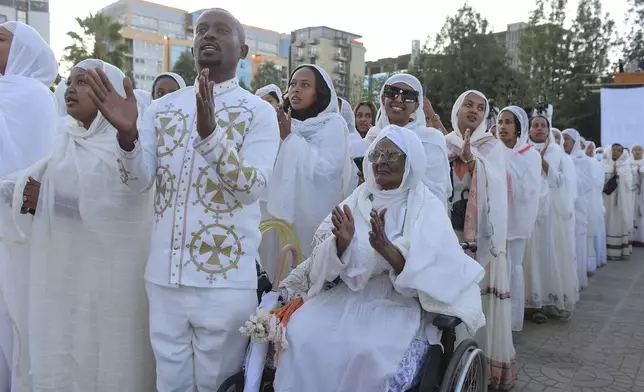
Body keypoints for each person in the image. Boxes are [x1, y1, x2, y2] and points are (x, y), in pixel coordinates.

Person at [86, 9, 281, 390]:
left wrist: (211, 138)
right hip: (164, 277)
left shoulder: (259, 113)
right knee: (170, 383)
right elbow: (137, 183)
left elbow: (251, 187)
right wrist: (128, 138)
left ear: (242, 50)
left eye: (221, 30)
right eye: (201, 30)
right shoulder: (163, 109)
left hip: (223, 281)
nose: (208, 35)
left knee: (217, 383)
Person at [273, 125, 485, 392]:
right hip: (346, 294)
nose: (381, 162)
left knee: (367, 350)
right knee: (300, 333)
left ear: (410, 161)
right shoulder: (357, 198)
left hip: (397, 300)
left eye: (391, 155)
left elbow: (434, 263)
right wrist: (341, 244)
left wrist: (389, 251)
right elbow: (322, 256)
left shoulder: (423, 204)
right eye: (376, 155)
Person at [0, 59, 155, 392]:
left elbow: (124, 209)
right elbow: (29, 191)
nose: (71, 88)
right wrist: (28, 201)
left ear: (110, 92)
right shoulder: (65, 140)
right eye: (69, 81)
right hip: (66, 279)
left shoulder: (127, 146)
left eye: (84, 82)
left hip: (111, 286)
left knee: (106, 359)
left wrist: (51, 201)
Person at [0, 20, 58, 392]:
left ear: (24, 50)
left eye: (1, 39)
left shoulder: (35, 96)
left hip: (17, 227)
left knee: (13, 315)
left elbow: (30, 165)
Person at [444, 90, 513, 390]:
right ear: (457, 108)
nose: (474, 110)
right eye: (468, 105)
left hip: (479, 238)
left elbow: (497, 186)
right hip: (447, 231)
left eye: (481, 107)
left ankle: (479, 366)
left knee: (478, 297)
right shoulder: (442, 142)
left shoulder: (492, 146)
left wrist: (475, 163)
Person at [266, 64, 352, 266]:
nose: (296, 89)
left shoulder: (332, 125)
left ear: (319, 93)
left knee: (307, 266)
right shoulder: (284, 122)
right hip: (282, 216)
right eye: (293, 84)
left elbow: (327, 168)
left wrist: (289, 139)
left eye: (305, 85)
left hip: (314, 215)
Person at [522, 116, 578, 324]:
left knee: (545, 256)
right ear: (528, 130)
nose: (539, 129)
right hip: (526, 212)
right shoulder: (522, 151)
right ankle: (529, 302)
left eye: (543, 126)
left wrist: (541, 161)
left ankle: (545, 303)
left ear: (548, 130)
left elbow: (561, 182)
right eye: (535, 125)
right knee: (528, 258)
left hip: (549, 216)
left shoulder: (558, 154)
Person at [365, 74, 451, 208]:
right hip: (372, 213)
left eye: (408, 96)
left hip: (418, 217)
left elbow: (437, 192)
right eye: (392, 92)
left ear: (417, 105)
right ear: (382, 98)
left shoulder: (431, 139)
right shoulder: (374, 136)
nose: (399, 99)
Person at [496, 106, 541, 332]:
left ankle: (511, 320)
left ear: (518, 127)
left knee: (513, 267)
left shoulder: (530, 155)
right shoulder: (492, 149)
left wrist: (507, 175)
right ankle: (494, 317)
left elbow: (530, 191)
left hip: (516, 220)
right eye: (500, 121)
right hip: (495, 219)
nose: (502, 126)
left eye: (508, 122)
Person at [562, 129, 594, 289]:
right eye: (563, 138)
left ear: (575, 141)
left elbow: (588, 183)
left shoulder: (583, 160)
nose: (564, 141)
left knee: (577, 244)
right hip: (562, 208)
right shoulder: (560, 158)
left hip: (578, 207)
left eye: (567, 138)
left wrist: (570, 184)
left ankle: (577, 280)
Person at [603, 144, 634, 260]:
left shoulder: (625, 166)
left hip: (620, 202)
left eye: (618, 150)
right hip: (607, 199)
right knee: (607, 220)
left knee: (618, 222)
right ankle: (605, 250)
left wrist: (618, 174)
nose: (616, 152)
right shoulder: (603, 164)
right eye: (614, 150)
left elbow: (629, 183)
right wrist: (610, 173)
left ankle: (619, 250)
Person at [585, 141, 607, 267]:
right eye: (587, 147)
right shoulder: (580, 161)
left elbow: (599, 182)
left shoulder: (596, 163)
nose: (589, 150)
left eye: (591, 148)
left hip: (594, 198)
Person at [631, 145, 644, 246]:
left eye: (640, 150)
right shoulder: (628, 163)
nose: (637, 152)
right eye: (635, 150)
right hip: (631, 193)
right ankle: (632, 237)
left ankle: (641, 238)